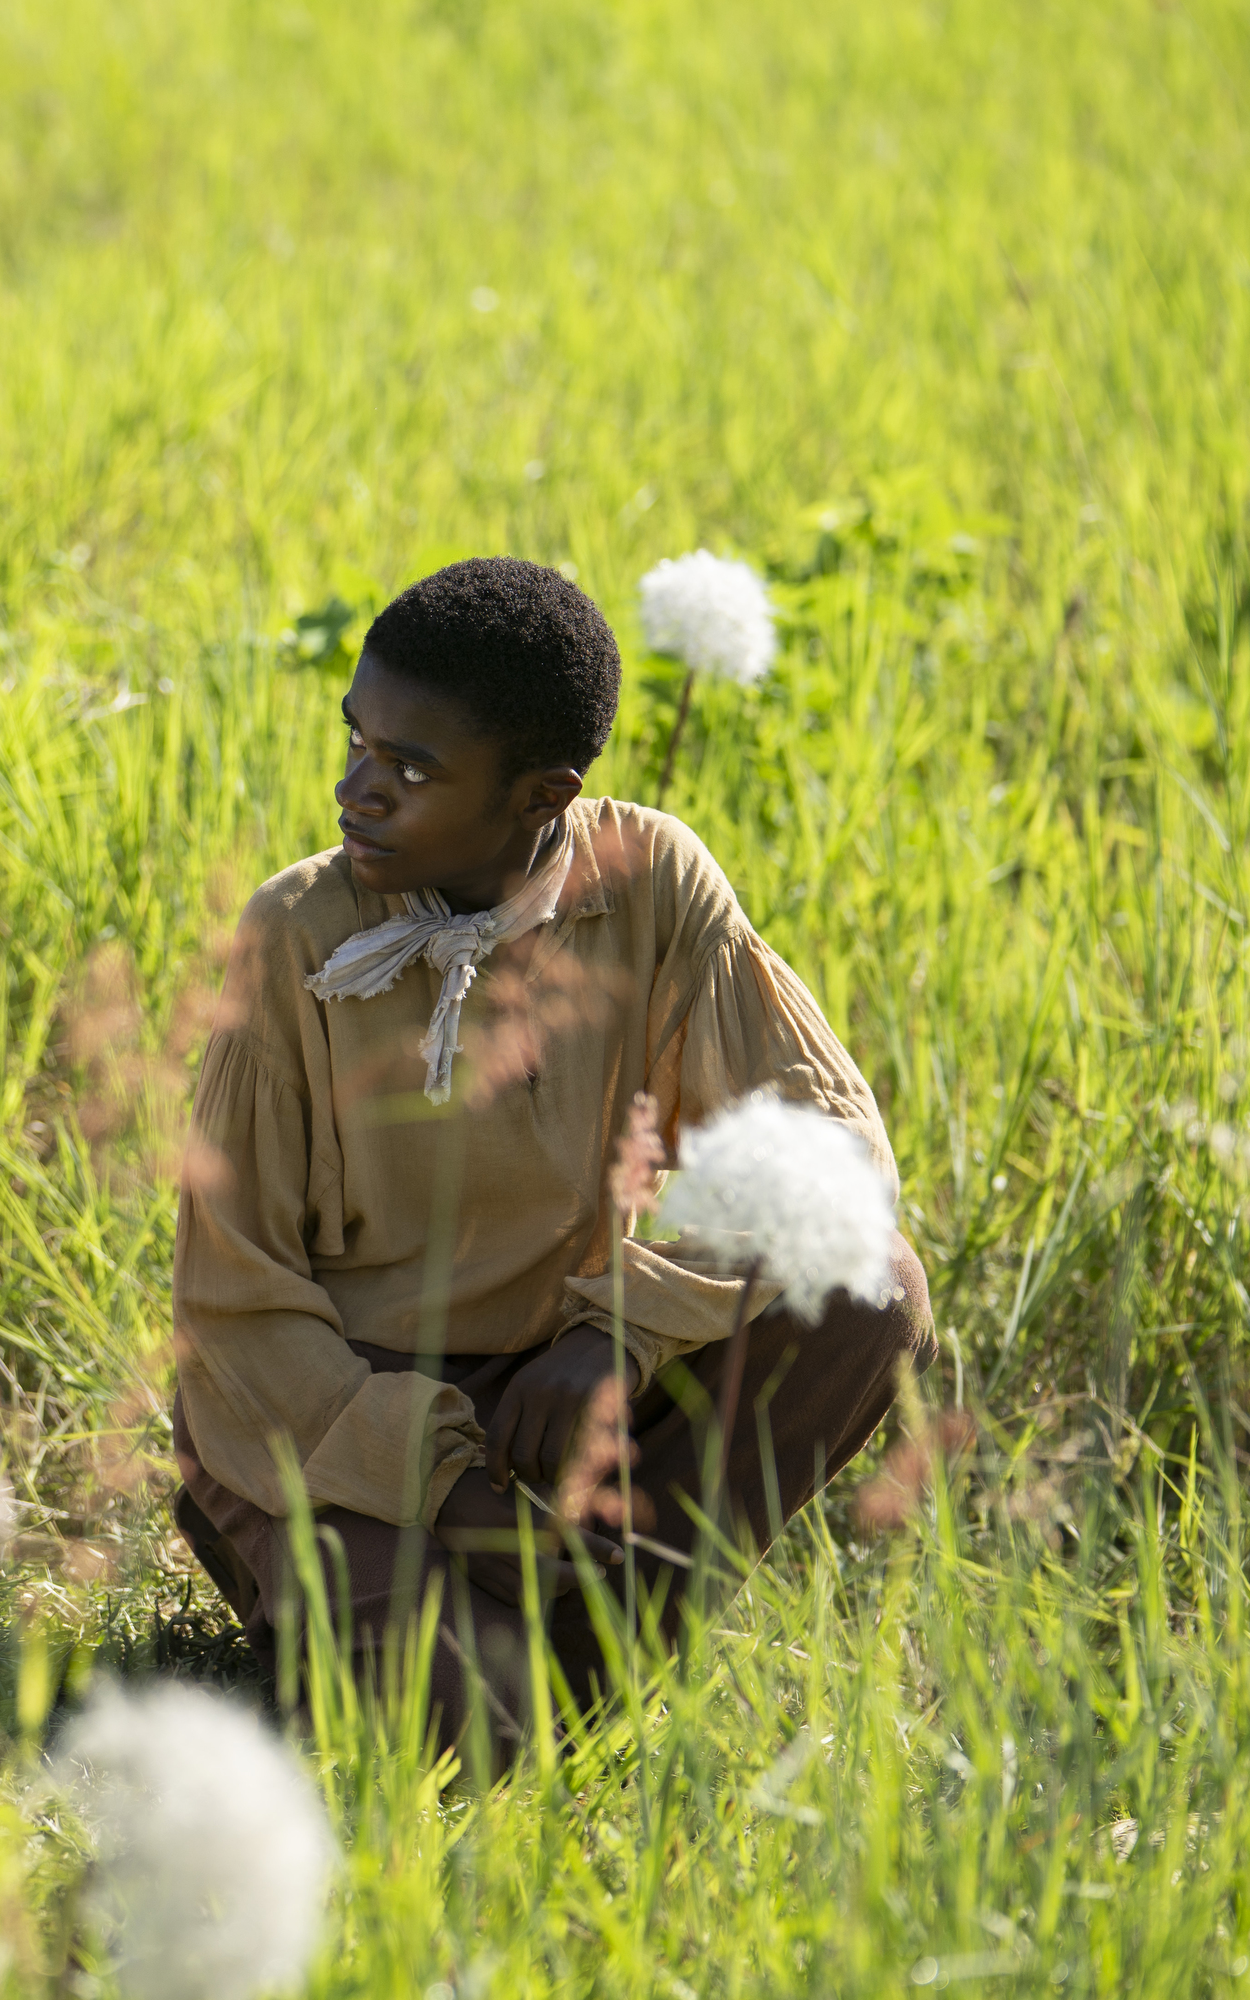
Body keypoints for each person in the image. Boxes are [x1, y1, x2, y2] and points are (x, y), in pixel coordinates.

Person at [167, 557, 933, 1760]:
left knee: (868, 1285)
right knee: (457, 1742)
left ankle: (592, 1633)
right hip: (340, 1419)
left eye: (410, 768)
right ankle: (355, 1583)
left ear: (542, 795)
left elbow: (830, 1152)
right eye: (355, 739)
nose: (355, 788)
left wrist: (620, 1325)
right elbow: (233, 1307)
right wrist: (448, 1481)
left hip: (555, 1394)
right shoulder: (297, 935)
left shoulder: (650, 882)